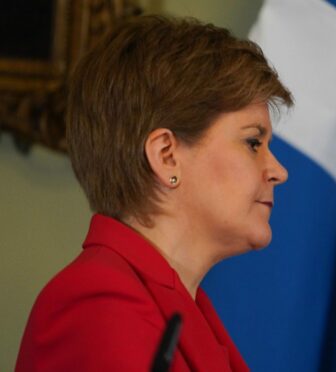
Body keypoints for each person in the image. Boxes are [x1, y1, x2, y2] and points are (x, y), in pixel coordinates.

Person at [16, 15, 292, 371]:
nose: (279, 171)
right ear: (167, 156)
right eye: (253, 142)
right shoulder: (96, 303)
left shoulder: (185, 308)